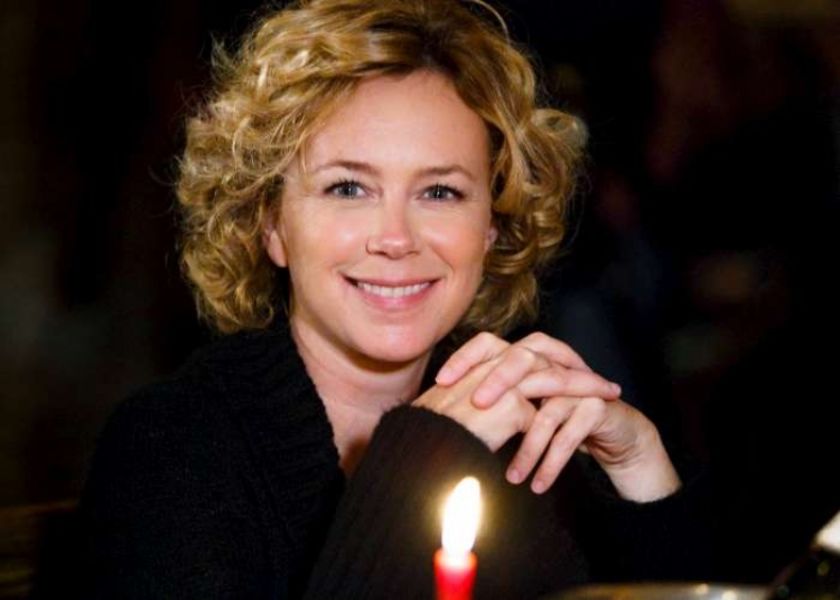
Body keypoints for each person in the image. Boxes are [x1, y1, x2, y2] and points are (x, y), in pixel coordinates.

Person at [78, 0, 713, 597]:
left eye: (440, 193)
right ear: (270, 224)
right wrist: (415, 463)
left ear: (491, 227)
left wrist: (641, 470)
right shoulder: (167, 448)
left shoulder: (523, 443)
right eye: (348, 188)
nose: (396, 239)